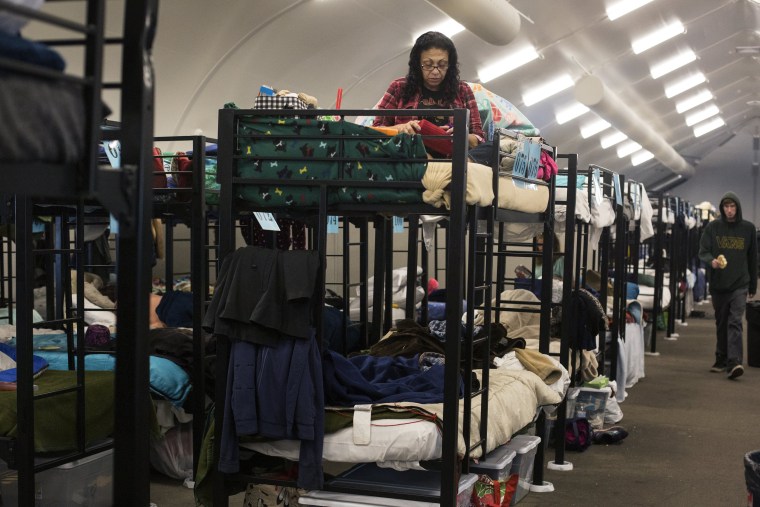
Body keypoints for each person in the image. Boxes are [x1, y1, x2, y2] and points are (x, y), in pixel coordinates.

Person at [372, 31, 490, 162]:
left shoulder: (462, 90)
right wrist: (401, 128)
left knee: (494, 148)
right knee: (403, 146)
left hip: (452, 154)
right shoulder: (399, 87)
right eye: (428, 65)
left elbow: (479, 138)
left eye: (442, 65)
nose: (435, 72)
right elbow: (376, 131)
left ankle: (457, 163)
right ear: (417, 64)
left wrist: (462, 135)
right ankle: (434, 163)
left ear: (450, 65)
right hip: (411, 152)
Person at [698, 192, 757, 379]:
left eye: (733, 207)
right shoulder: (713, 228)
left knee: (735, 322)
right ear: (722, 208)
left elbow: (753, 258)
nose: (729, 210)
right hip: (719, 284)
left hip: (740, 283)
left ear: (737, 208)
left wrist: (753, 285)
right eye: (726, 207)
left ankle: (734, 362)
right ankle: (721, 358)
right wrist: (711, 261)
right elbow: (703, 251)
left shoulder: (748, 229)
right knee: (722, 322)